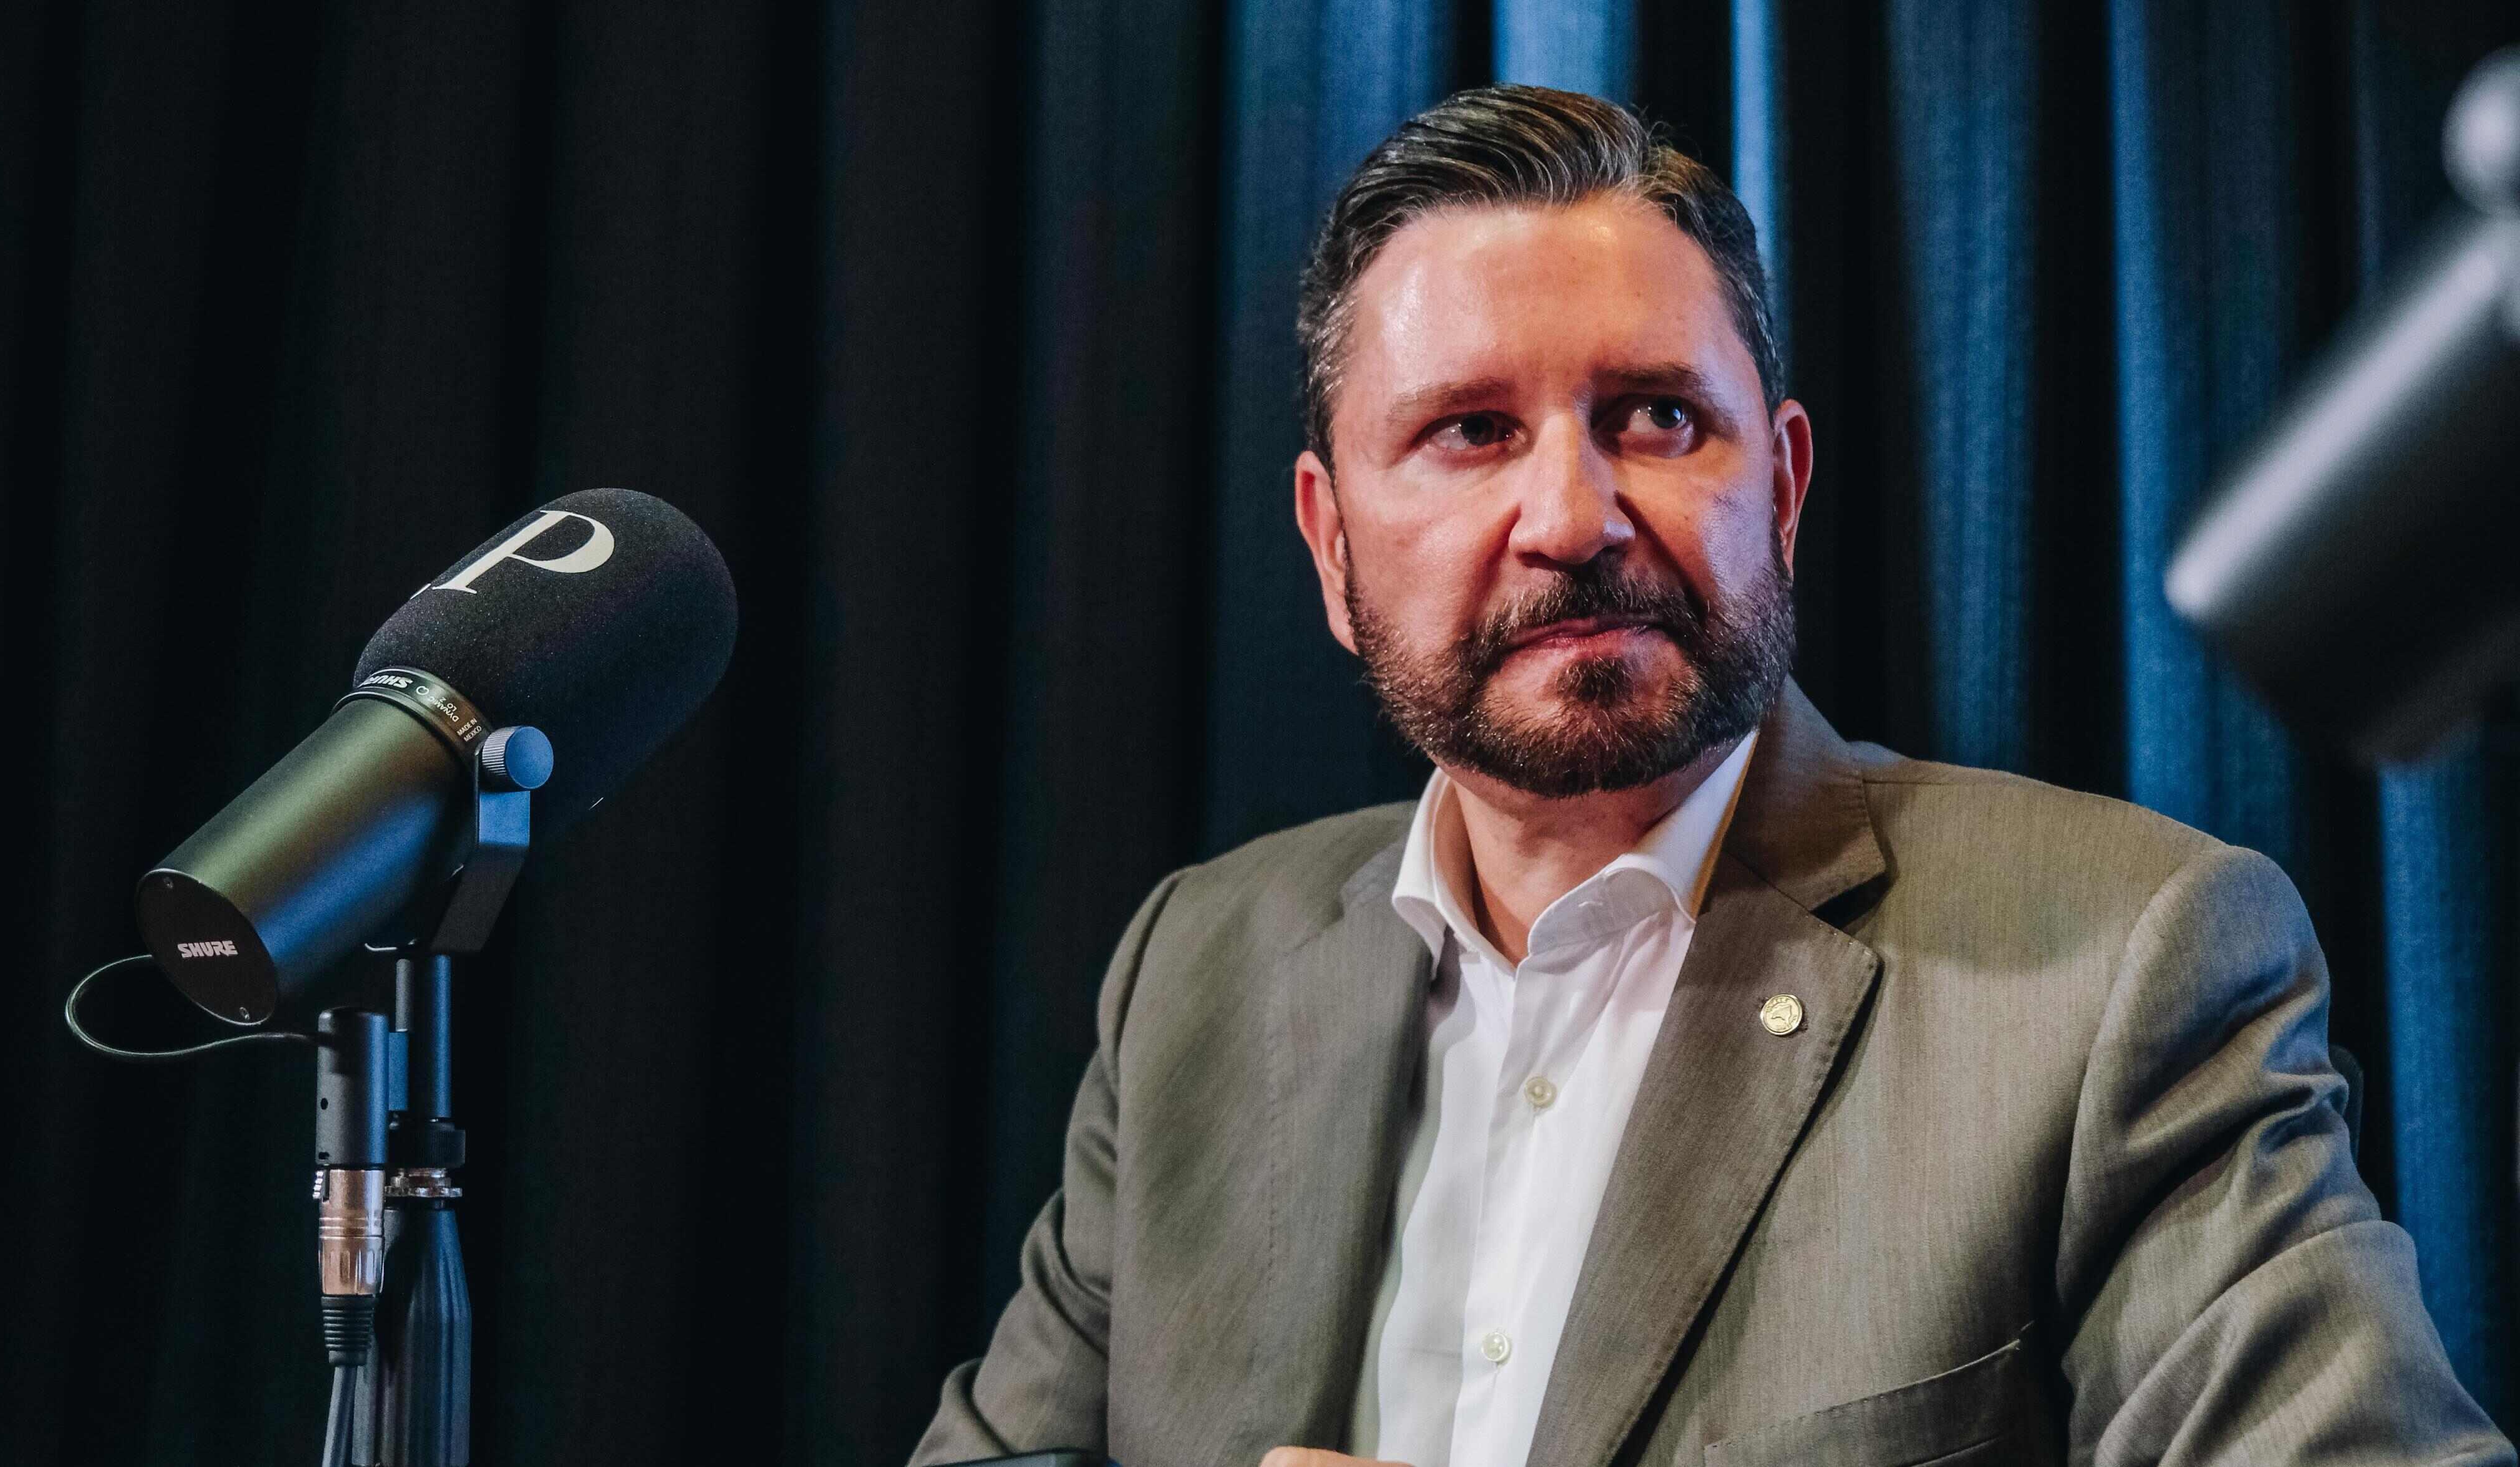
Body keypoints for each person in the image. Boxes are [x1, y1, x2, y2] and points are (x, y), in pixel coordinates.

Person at [911, 85, 2512, 1467]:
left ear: (1785, 489)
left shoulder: (2124, 964)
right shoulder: (1194, 969)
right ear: (1331, 546)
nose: (1572, 517)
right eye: (1469, 431)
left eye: (1657, 417)